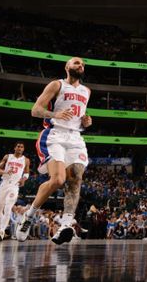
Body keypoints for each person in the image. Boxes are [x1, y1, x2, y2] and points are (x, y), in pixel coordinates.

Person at [16, 57, 93, 245]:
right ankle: (30, 214)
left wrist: (86, 121)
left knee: (75, 177)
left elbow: (79, 114)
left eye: (82, 64)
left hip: (75, 136)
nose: (80, 66)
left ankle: (66, 224)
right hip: (55, 134)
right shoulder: (56, 85)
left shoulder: (86, 91)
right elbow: (35, 110)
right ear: (67, 67)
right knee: (58, 179)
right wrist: (55, 114)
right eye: (76, 63)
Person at [0, 142, 31, 242]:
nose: (20, 148)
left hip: (14, 186)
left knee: (8, 207)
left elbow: (27, 173)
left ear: (23, 149)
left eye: (22, 147)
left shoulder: (26, 160)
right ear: (15, 148)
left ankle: (1, 232)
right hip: (4, 183)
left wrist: (23, 179)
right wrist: (5, 172)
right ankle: (0, 229)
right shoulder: (7, 157)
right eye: (18, 146)